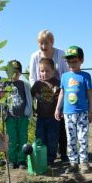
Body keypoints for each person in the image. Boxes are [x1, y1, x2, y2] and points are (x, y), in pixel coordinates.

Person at [29, 29, 69, 163]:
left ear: (52, 42)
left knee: (60, 126)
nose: (43, 46)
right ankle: (43, 155)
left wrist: (62, 94)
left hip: (58, 93)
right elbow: (33, 77)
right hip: (43, 96)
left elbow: (65, 74)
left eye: (46, 42)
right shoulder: (35, 56)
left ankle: (62, 153)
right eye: (41, 43)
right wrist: (37, 94)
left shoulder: (60, 54)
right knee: (42, 132)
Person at [55, 46, 92, 174]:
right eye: (68, 61)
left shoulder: (86, 76)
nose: (71, 64)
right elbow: (62, 93)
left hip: (82, 112)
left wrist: (90, 111)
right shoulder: (65, 76)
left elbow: (89, 94)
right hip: (68, 113)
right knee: (70, 138)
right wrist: (57, 108)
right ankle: (73, 162)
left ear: (81, 60)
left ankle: (84, 162)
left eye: (74, 61)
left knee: (82, 137)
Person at [31, 58, 60, 166]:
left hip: (54, 118)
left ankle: (51, 158)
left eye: (47, 71)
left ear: (53, 71)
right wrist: (34, 103)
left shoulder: (57, 83)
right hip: (41, 117)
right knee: (40, 137)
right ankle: (41, 156)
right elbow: (31, 95)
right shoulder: (38, 84)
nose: (44, 73)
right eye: (42, 71)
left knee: (52, 138)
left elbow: (61, 98)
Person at [5, 60, 32, 169]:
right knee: (11, 139)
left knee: (22, 138)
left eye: (17, 72)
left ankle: (21, 160)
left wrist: (28, 112)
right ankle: (11, 160)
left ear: (20, 73)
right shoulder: (5, 84)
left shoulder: (23, 85)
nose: (14, 75)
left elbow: (29, 98)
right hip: (10, 118)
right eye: (12, 72)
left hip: (22, 117)